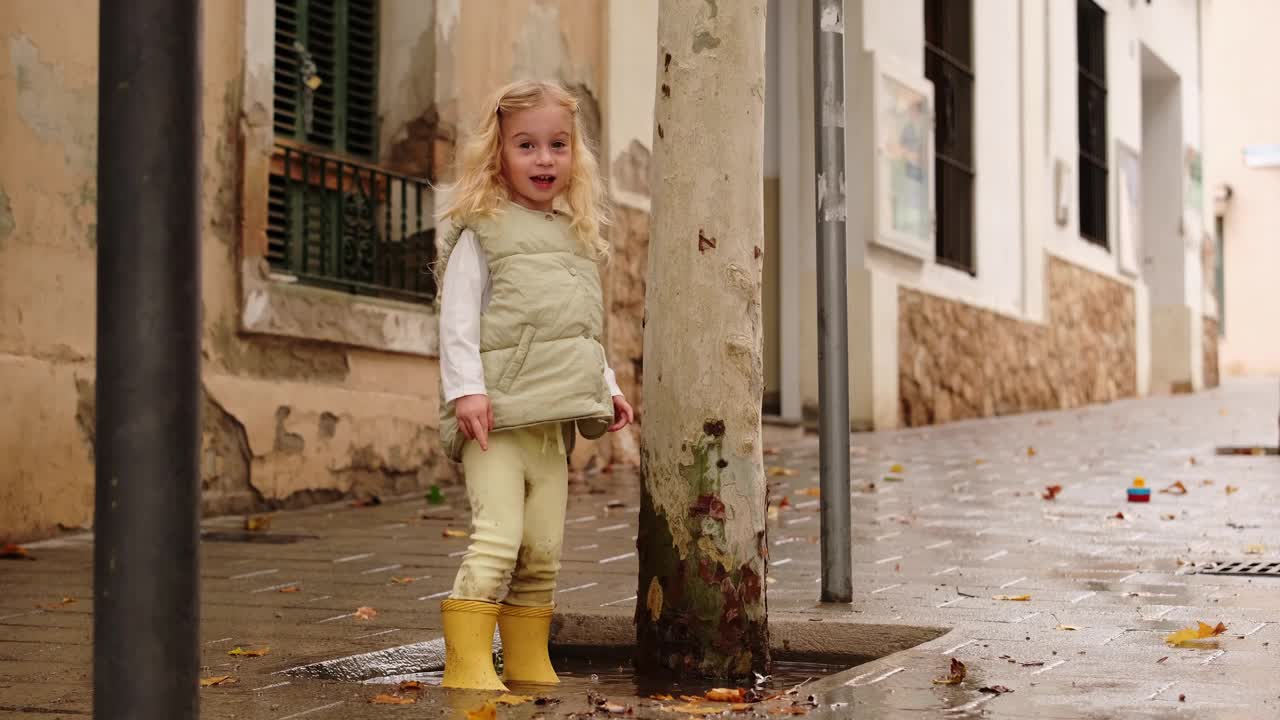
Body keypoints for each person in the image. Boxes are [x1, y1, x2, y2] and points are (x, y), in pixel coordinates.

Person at [432, 80, 635, 691]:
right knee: (498, 540)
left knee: (542, 551)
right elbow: (457, 320)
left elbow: (580, 329)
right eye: (526, 145)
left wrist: (607, 385)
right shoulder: (484, 230)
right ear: (498, 153)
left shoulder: (577, 236)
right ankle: (466, 662)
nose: (544, 159)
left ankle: (525, 657)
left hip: (553, 420)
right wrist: (466, 390)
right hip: (496, 419)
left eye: (558, 145)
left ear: (575, 156)